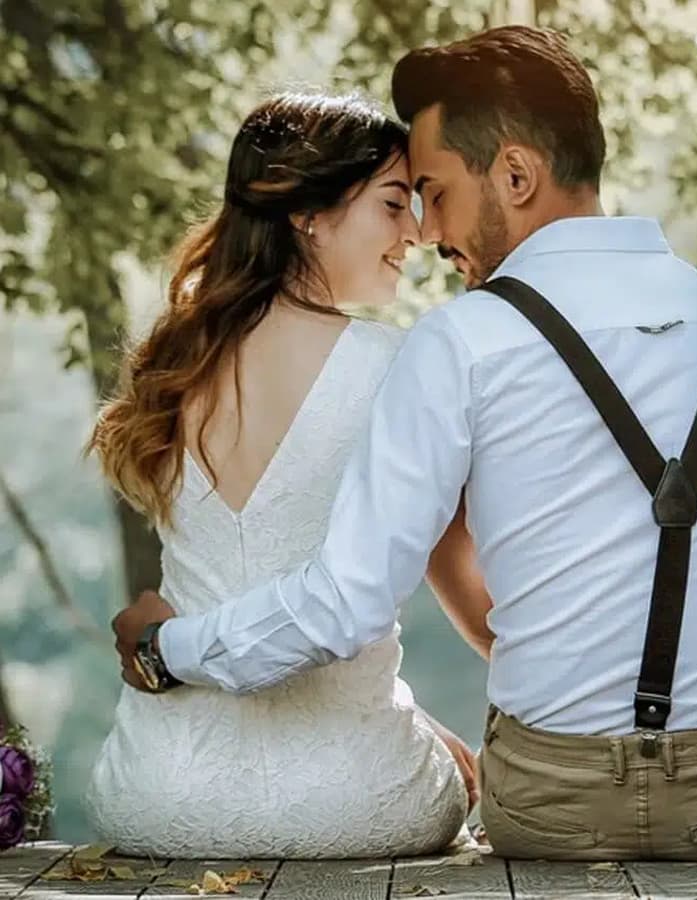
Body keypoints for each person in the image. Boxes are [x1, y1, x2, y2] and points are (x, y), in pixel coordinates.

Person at [114, 27, 697, 860]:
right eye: (405, 199)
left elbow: (348, 600)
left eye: (435, 192)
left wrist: (169, 647)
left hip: (544, 807)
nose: (427, 230)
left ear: (515, 175)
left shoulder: (455, 344)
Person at [86, 91, 479, 858]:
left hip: (157, 795)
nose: (418, 232)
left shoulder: (172, 365)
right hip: (357, 802)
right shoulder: (400, 366)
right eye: (394, 204)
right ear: (307, 212)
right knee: (461, 783)